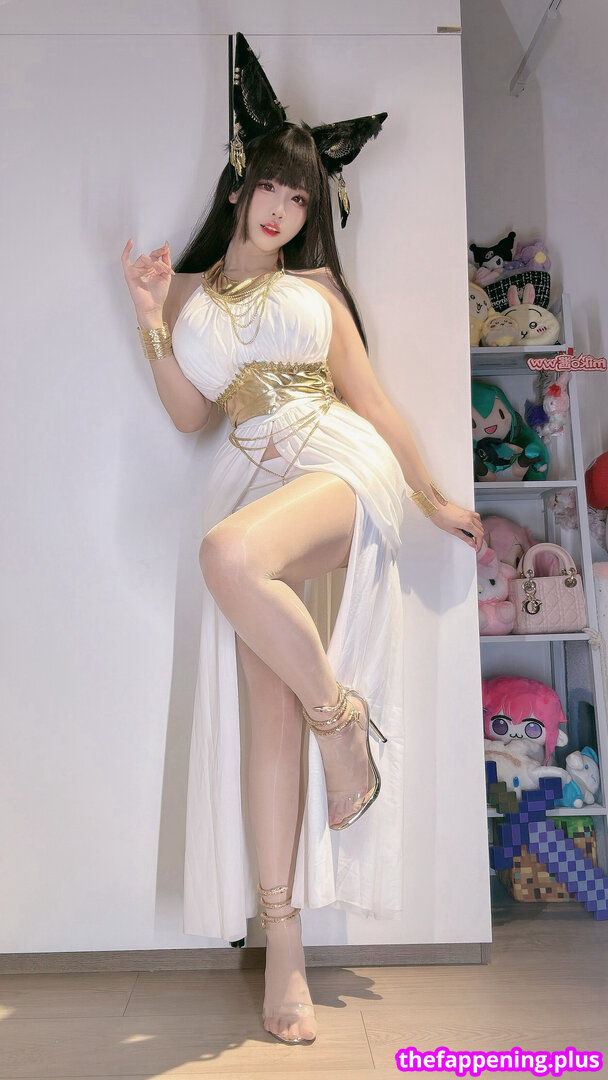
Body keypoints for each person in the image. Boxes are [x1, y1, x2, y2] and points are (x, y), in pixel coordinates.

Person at [121, 33, 483, 1047]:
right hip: (249, 476)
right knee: (264, 708)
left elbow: (373, 402)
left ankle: (343, 727)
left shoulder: (316, 289)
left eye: (299, 196)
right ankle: (283, 948)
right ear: (241, 185)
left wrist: (429, 496)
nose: (281, 208)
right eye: (271, 188)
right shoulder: (190, 293)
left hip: (335, 462)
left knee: (225, 557)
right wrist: (148, 313)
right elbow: (188, 416)